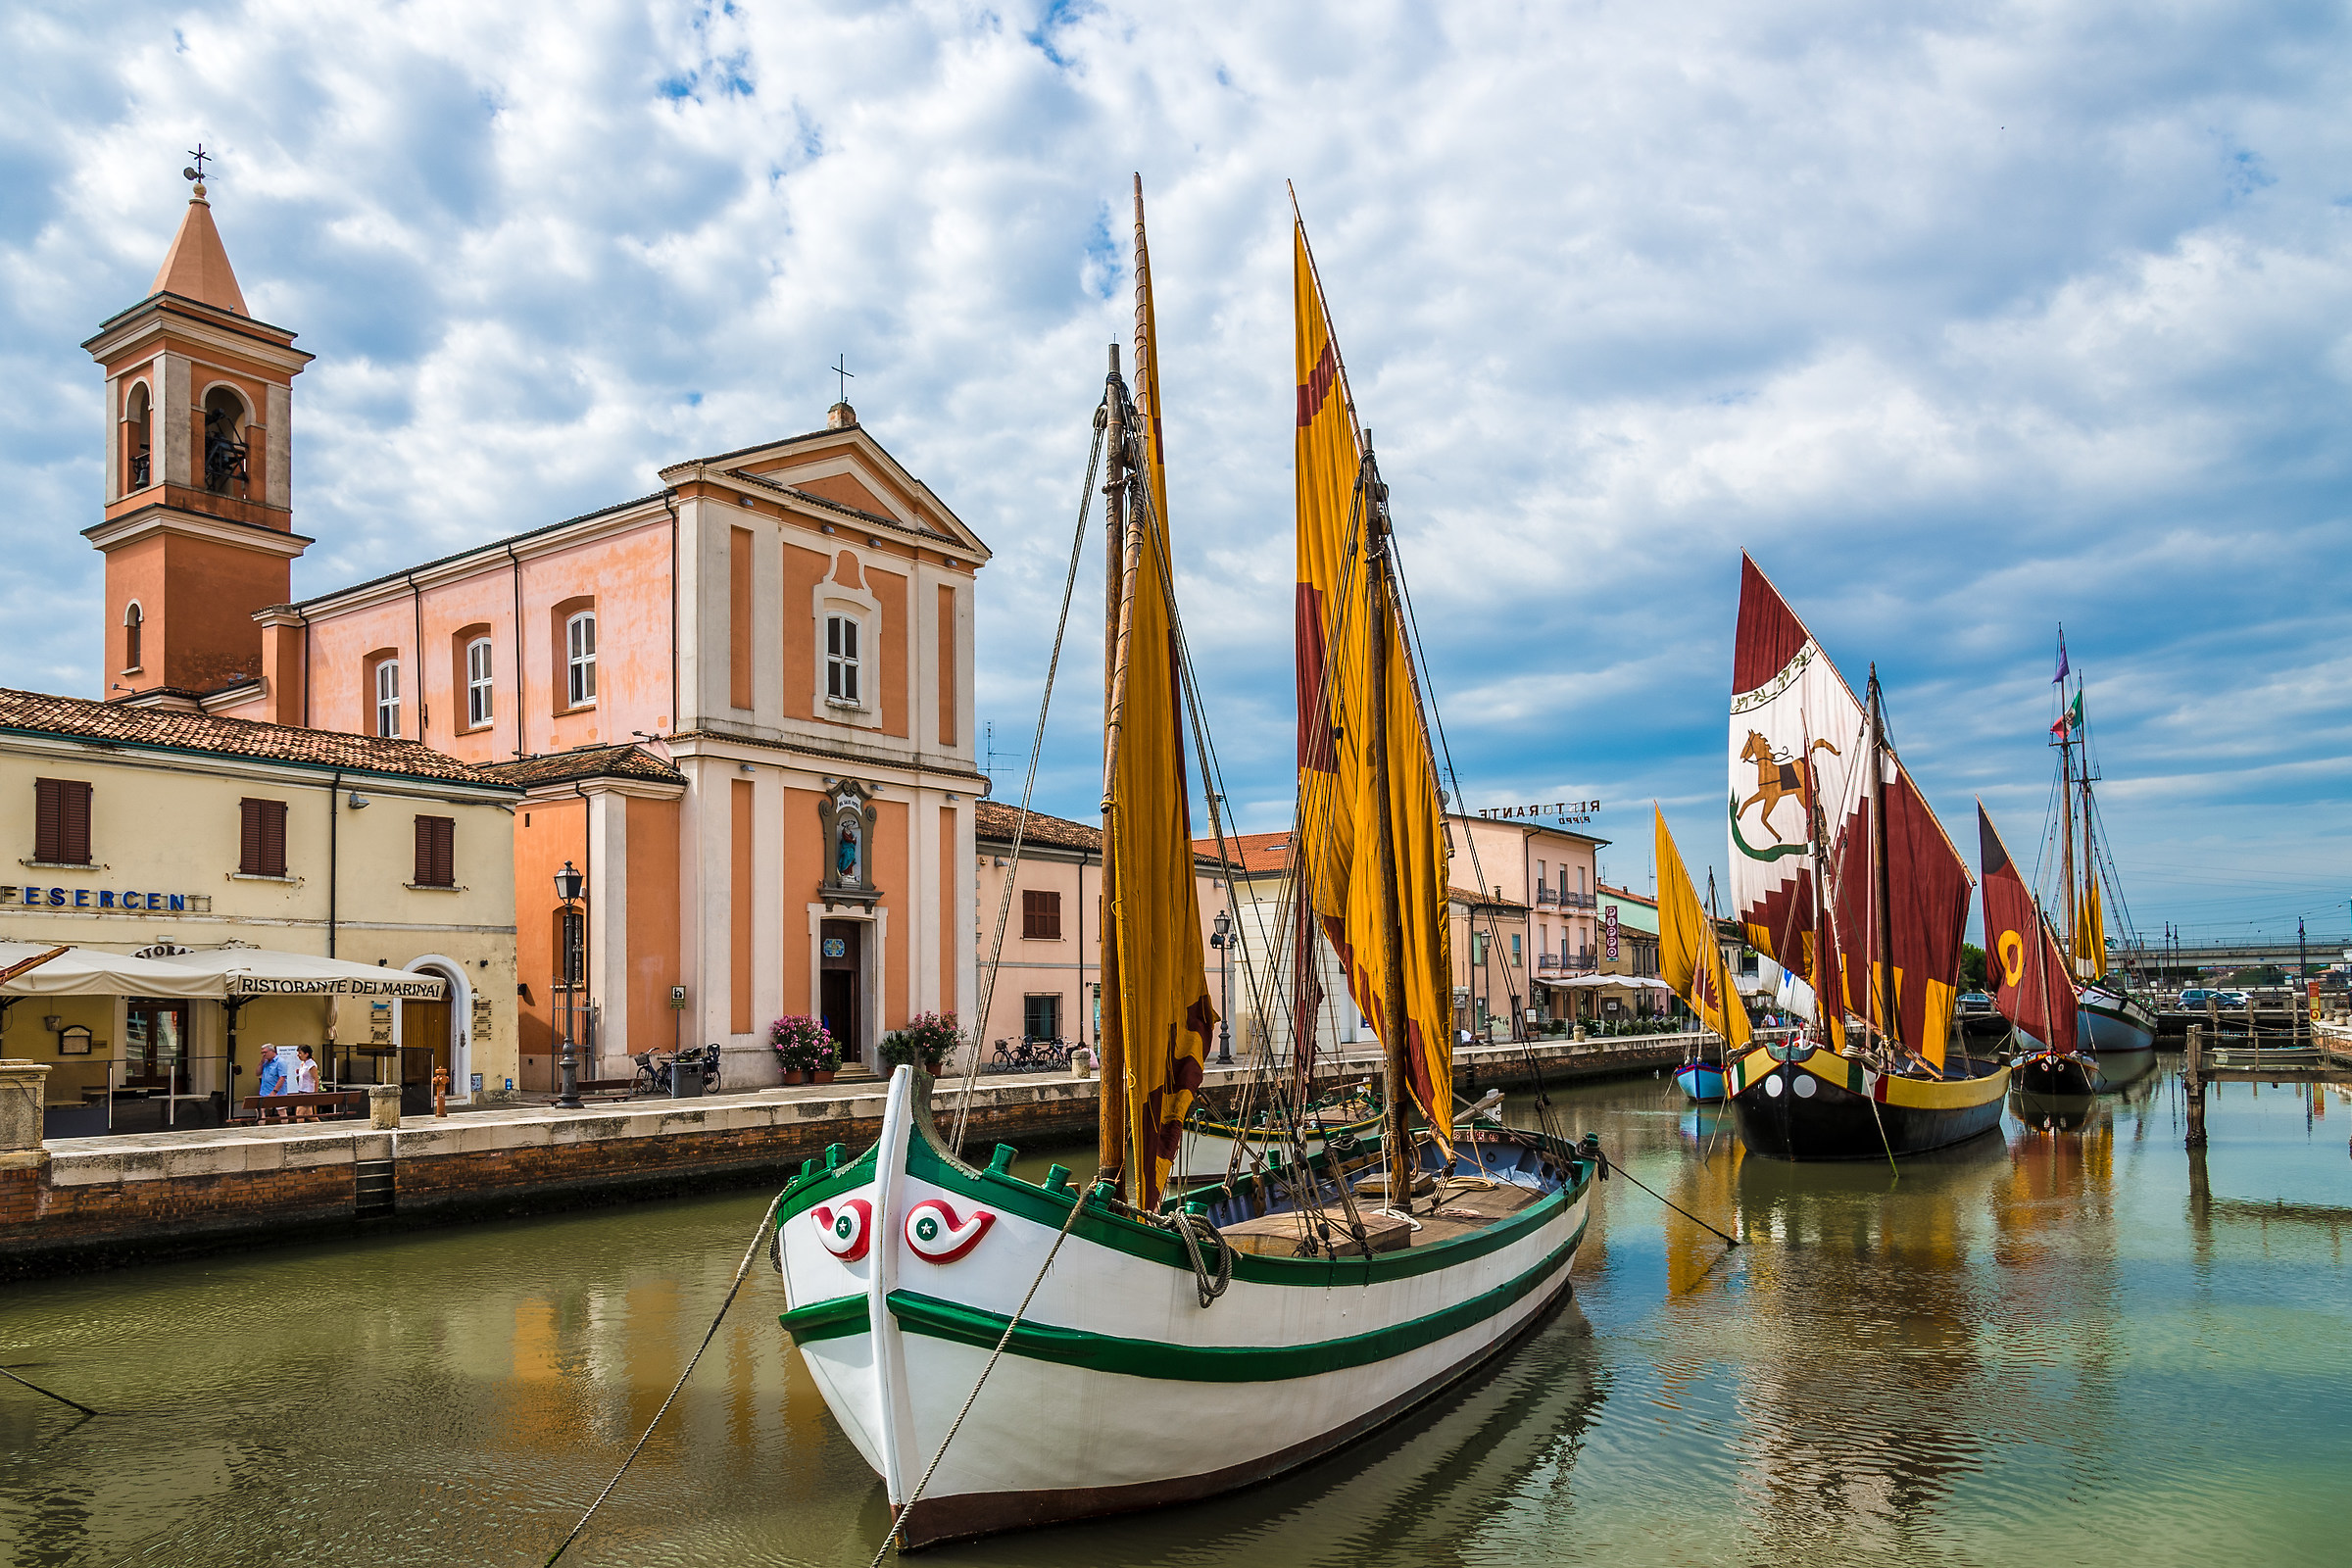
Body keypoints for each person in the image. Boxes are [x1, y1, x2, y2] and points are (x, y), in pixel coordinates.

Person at [255, 1044, 289, 1123]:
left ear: (272, 1051)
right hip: (265, 1092)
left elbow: (282, 1078)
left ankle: (285, 1128)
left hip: (277, 1092)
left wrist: (274, 1092)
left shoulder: (280, 1062)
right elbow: (257, 1073)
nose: (263, 1054)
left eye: (265, 1052)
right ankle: (261, 1128)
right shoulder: (266, 1062)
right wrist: (261, 1063)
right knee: (259, 1109)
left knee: (281, 1111)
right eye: (262, 1053)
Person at [291, 1044, 321, 1121]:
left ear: (306, 1054)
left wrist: (315, 1093)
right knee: (309, 1115)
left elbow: (316, 1080)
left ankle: (301, 1131)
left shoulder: (311, 1065)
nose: (298, 1055)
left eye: (300, 1053)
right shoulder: (303, 1064)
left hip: (308, 1092)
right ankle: (320, 1126)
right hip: (302, 1090)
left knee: (299, 1114)